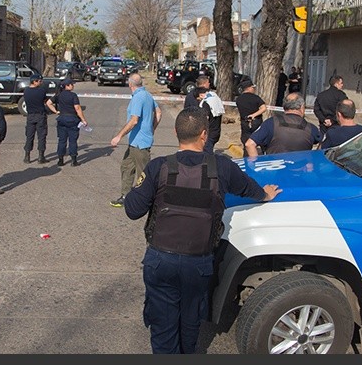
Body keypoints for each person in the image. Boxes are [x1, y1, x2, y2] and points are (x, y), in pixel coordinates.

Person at [123, 106, 282, 354]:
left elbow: (133, 210)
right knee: (190, 325)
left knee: (163, 330)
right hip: (197, 263)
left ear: (176, 132)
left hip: (161, 261)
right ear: (204, 135)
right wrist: (266, 194)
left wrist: (141, 189)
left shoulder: (158, 167)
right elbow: (249, 190)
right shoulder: (222, 167)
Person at [109, 73, 162, 208]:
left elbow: (134, 121)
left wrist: (118, 136)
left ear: (130, 84)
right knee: (126, 166)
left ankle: (146, 202)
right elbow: (158, 112)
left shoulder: (138, 97)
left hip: (140, 144)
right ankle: (125, 196)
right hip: (135, 142)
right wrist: (152, 128)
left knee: (143, 174)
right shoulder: (147, 95)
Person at [245, 92, 321, 158]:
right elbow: (323, 144)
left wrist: (256, 165)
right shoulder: (311, 128)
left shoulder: (271, 123)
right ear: (302, 107)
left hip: (275, 167)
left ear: (284, 107)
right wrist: (314, 162)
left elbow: (249, 144)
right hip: (301, 168)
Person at [46, 77, 88, 167]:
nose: (73, 86)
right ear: (67, 86)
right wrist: (83, 119)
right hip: (72, 119)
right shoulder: (73, 95)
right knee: (72, 141)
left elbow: (48, 103)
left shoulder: (58, 95)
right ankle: (73, 160)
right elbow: (77, 108)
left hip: (61, 119)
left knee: (62, 140)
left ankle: (60, 160)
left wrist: (56, 111)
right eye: (71, 84)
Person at [21, 74, 51, 164]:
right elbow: (45, 100)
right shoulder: (42, 91)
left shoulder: (26, 91)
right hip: (40, 115)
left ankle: (27, 156)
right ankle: (41, 157)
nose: (41, 83)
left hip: (30, 116)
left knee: (29, 136)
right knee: (41, 136)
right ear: (34, 81)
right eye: (39, 81)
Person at [233, 80, 267, 157]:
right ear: (249, 88)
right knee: (262, 140)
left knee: (246, 142)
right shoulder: (256, 98)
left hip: (245, 122)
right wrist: (254, 115)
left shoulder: (239, 99)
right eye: (252, 87)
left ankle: (246, 159)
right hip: (256, 121)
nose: (254, 89)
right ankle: (265, 155)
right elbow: (263, 108)